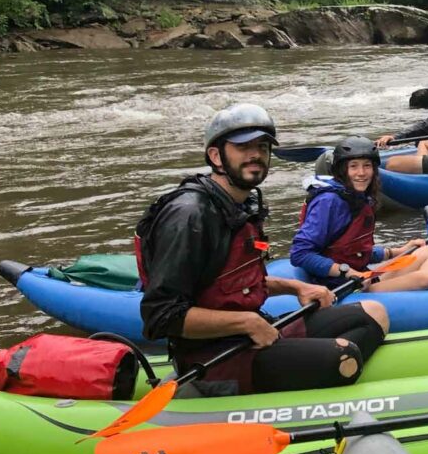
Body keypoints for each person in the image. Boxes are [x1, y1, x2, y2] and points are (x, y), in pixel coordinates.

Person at [135, 104, 389, 396]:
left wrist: (296, 287)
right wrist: (247, 321)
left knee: (374, 313)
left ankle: (301, 377)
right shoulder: (190, 215)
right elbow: (159, 317)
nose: (255, 154)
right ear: (216, 156)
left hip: (254, 334)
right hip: (216, 356)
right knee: (345, 357)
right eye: (243, 147)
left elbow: (228, 284)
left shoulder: (241, 204)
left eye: (262, 146)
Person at [291, 136, 428, 292]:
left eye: (367, 166)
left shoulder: (360, 198)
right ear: (342, 171)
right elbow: (300, 253)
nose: (361, 172)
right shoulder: (329, 202)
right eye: (353, 166)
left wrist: (397, 250)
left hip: (362, 276)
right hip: (342, 287)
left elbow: (357, 250)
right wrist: (348, 273)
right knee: (426, 278)